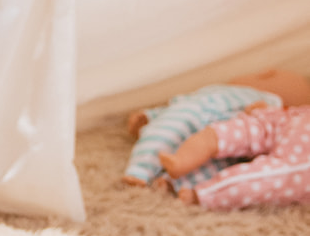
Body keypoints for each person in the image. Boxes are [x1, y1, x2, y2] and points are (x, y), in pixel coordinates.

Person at [122, 69, 310, 190]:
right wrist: (149, 115)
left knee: (216, 163)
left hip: (222, 133)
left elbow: (262, 125)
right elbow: (182, 103)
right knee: (167, 128)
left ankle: (169, 181)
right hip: (194, 113)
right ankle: (140, 170)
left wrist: (263, 109)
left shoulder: (271, 103)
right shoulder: (219, 91)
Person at [160, 102, 310, 210]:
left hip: (291, 122)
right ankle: (186, 171)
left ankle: (190, 181)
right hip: (291, 121)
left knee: (266, 175)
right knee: (269, 176)